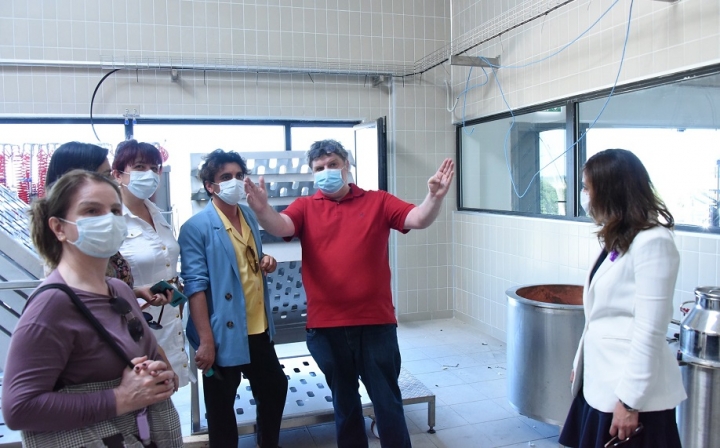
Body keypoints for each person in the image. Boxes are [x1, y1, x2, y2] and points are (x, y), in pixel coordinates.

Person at [244, 139, 455, 448]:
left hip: (375, 325)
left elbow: (418, 218)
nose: (326, 171)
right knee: (345, 406)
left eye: (333, 164)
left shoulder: (378, 201)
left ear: (347, 166)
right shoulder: (305, 207)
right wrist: (262, 210)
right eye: (319, 168)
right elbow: (280, 226)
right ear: (312, 173)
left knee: (387, 402)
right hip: (327, 327)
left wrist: (433, 197)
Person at [2, 170, 181, 445]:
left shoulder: (119, 289)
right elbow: (19, 409)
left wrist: (158, 375)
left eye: (115, 211)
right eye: (92, 211)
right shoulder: (50, 306)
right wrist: (120, 399)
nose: (108, 220)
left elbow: (143, 354)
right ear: (59, 227)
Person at [559, 149, 686, 448]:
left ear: (610, 190)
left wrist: (630, 401)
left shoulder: (653, 242)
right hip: (602, 383)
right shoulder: (619, 238)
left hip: (631, 398)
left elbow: (650, 330)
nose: (585, 196)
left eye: (587, 188)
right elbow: (600, 316)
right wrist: (582, 363)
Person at [178, 149, 287, 448]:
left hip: (256, 326)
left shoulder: (248, 215)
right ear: (210, 186)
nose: (235, 182)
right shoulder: (196, 228)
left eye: (239, 175)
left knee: (275, 387)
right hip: (221, 331)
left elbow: (248, 258)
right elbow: (195, 287)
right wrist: (205, 341)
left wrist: (266, 260)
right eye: (225, 177)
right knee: (221, 406)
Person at [112, 139, 191, 389]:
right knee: (147, 395)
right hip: (134, 327)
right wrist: (137, 291)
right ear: (117, 174)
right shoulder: (112, 221)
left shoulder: (157, 214)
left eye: (154, 168)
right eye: (139, 167)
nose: (149, 174)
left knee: (168, 390)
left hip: (170, 320)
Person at [45, 141, 133, 286]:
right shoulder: (58, 290)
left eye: (115, 211)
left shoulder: (99, 244)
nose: (112, 182)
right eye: (91, 211)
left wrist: (131, 293)